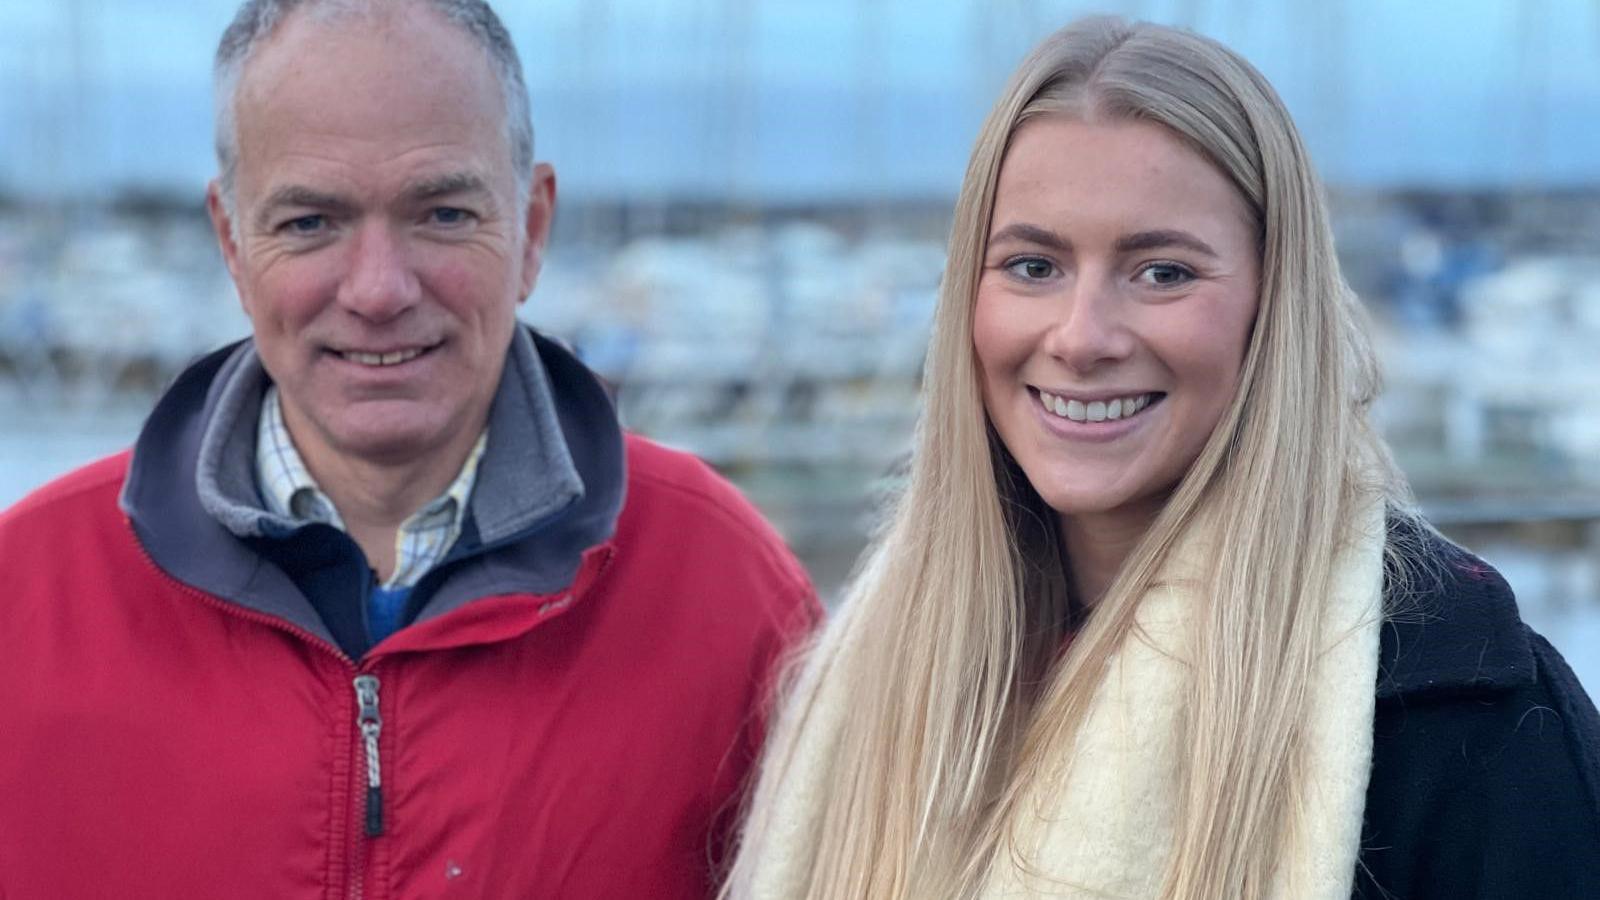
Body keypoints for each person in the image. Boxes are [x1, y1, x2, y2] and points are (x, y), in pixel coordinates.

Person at [723, 17, 1600, 900]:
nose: (1081, 337)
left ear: (1273, 305)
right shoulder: (873, 668)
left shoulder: (1468, 714)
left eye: (1163, 273)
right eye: (1033, 266)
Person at [0, 1, 817, 897]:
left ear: (533, 229)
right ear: (234, 245)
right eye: (311, 222)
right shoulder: (29, 592)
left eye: (442, 214)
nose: (379, 289)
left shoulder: (724, 588)